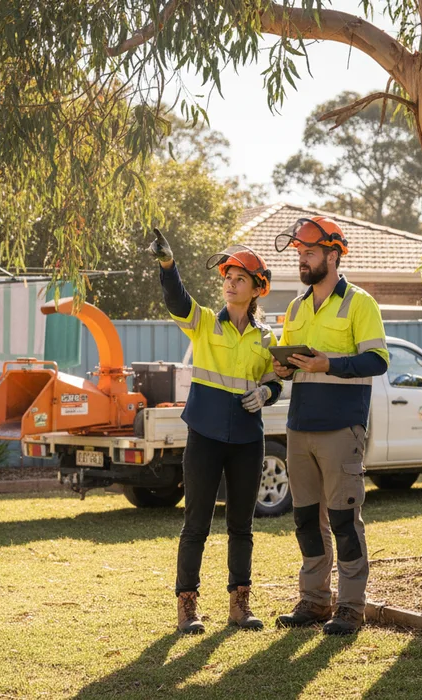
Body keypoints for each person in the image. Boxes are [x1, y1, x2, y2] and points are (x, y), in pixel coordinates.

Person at [148, 228, 283, 634]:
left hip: (247, 440)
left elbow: (276, 381)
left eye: (239, 279)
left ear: (257, 289)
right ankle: (187, 607)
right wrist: (168, 266)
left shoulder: (266, 337)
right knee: (196, 526)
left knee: (242, 526)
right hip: (204, 437)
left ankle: (239, 606)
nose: (229, 284)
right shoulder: (205, 322)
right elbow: (176, 300)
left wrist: (266, 392)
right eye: (226, 278)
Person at [270, 216, 389, 636]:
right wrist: (282, 368)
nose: (302, 261)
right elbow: (295, 369)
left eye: (310, 254)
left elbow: (377, 361)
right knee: (306, 520)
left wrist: (330, 364)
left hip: (342, 428)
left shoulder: (360, 303)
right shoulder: (296, 306)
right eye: (300, 255)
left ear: (333, 255)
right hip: (299, 427)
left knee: (343, 520)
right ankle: (316, 601)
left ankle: (351, 608)